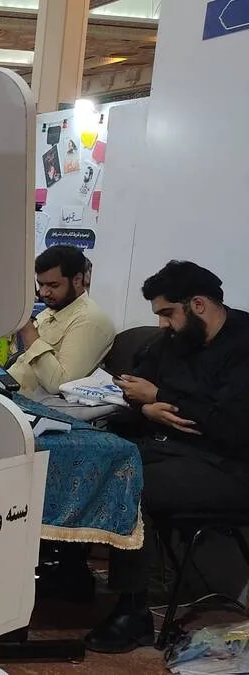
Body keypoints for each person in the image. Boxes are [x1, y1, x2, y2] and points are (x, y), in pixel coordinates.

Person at [84, 261, 249, 653]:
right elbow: (133, 384)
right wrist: (146, 406)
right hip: (170, 449)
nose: (162, 324)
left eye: (167, 313)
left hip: (230, 468)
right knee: (102, 463)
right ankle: (73, 575)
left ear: (198, 304)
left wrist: (160, 397)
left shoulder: (244, 345)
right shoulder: (176, 341)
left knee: (131, 483)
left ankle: (133, 612)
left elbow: (230, 424)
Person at [8, 245, 115, 395]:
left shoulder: (89, 319)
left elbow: (59, 384)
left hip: (32, 403)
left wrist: (27, 330)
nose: (43, 292)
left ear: (77, 280)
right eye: (41, 284)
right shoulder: (53, 309)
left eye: (53, 285)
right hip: (10, 389)